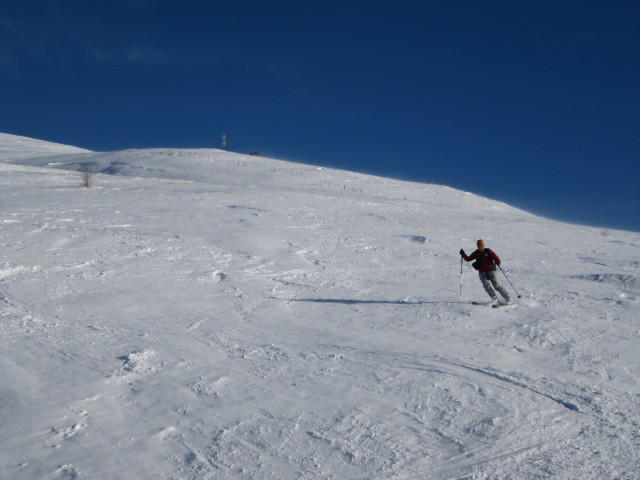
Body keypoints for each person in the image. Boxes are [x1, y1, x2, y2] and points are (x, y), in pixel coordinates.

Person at [460, 239, 512, 304]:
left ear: (484, 245)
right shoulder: (476, 253)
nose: (480, 248)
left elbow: (497, 258)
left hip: (491, 271)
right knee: (486, 286)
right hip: (482, 272)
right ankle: (495, 299)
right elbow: (468, 259)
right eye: (479, 246)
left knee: (496, 286)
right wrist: (463, 254)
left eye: (481, 246)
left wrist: (497, 262)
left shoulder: (489, 251)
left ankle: (508, 298)